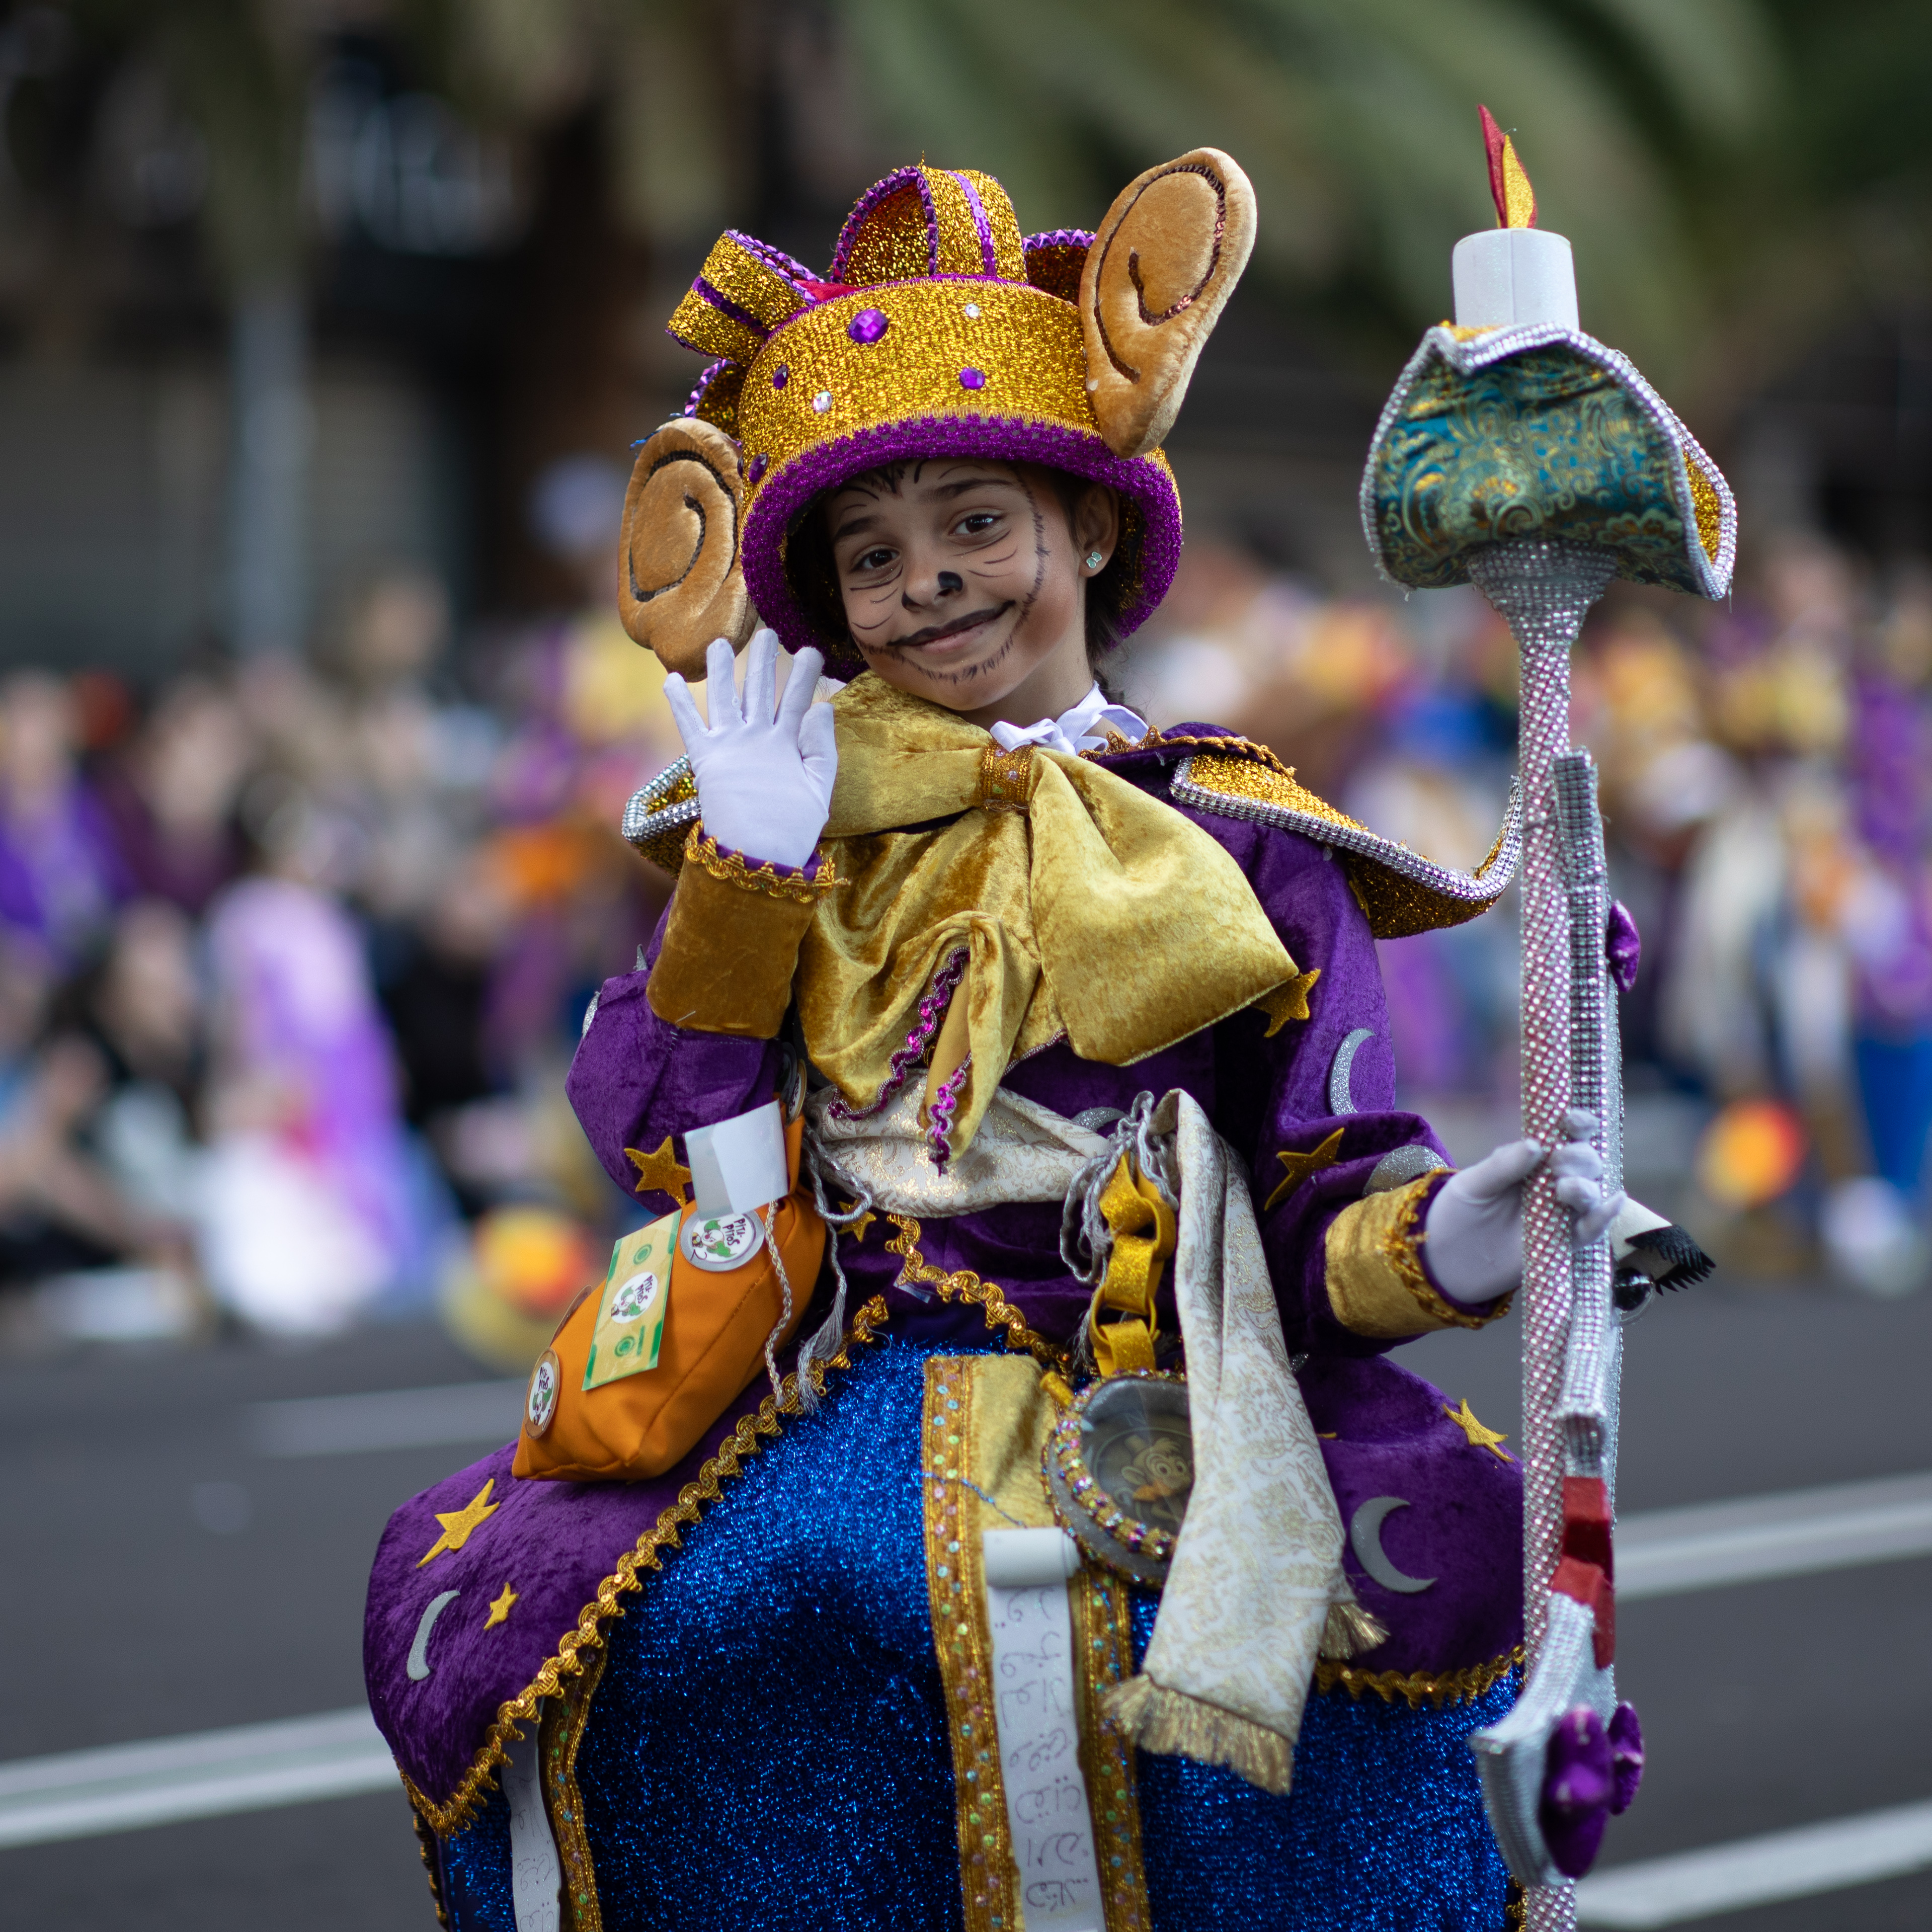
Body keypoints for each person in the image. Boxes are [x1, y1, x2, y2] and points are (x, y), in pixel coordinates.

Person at [368, 153, 1621, 1931]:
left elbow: (1322, 1180)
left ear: (1092, 527)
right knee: (669, 1632)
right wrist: (747, 875)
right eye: (871, 559)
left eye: (975, 525)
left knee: (1344, 1622)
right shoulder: (786, 817)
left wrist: (1459, 1235)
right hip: (834, 1383)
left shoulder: (1243, 837)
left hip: (1162, 1379)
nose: (927, 588)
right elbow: (670, 1152)